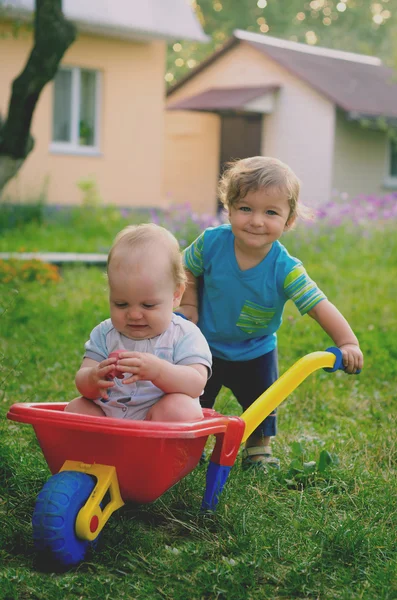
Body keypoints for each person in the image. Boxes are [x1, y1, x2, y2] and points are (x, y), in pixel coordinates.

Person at [179, 156, 363, 470]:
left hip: (255, 348)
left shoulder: (285, 268)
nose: (256, 221)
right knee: (191, 398)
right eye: (246, 208)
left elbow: (319, 307)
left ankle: (258, 450)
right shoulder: (211, 243)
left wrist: (348, 342)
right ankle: (187, 446)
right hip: (203, 345)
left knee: (262, 402)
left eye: (271, 212)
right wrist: (189, 302)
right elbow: (185, 269)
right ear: (229, 208)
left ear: (289, 221)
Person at [65, 223, 212, 422]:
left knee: (180, 409)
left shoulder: (185, 335)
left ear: (176, 295)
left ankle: (159, 453)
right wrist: (93, 378)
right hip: (110, 418)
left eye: (148, 305)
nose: (134, 315)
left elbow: (195, 383)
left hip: (158, 421)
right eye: (121, 304)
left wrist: (158, 371)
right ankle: (98, 451)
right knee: (76, 408)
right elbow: (82, 380)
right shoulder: (105, 334)